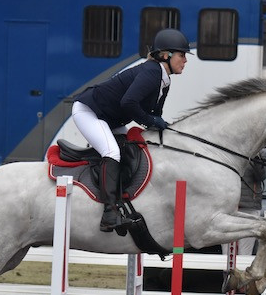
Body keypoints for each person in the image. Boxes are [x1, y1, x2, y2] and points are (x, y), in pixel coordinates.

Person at [71, 28, 191, 232]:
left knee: (130, 151)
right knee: (112, 152)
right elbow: (129, 103)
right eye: (182, 55)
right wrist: (152, 120)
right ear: (166, 55)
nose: (185, 61)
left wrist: (162, 126)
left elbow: (154, 115)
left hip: (111, 119)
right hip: (90, 111)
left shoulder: (164, 80)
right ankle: (109, 213)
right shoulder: (152, 72)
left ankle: (120, 204)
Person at [223, 156, 266, 256]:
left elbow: (262, 176)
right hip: (228, 206)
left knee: (245, 251)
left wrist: (258, 159)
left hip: (249, 206)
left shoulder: (259, 153)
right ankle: (227, 272)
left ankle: (243, 270)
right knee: (227, 252)